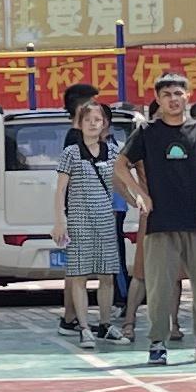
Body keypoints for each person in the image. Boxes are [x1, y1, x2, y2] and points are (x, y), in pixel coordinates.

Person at [124, 69, 196, 367]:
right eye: (166, 95)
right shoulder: (146, 133)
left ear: (188, 96)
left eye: (178, 94)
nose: (173, 99)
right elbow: (120, 165)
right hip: (160, 223)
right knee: (159, 287)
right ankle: (157, 344)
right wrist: (140, 194)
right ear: (157, 99)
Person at [53, 93, 127, 347]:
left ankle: (105, 325)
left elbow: (122, 182)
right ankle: (84, 328)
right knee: (80, 275)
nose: (94, 124)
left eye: (99, 119)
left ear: (105, 123)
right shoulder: (71, 153)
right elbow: (60, 189)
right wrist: (59, 220)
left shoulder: (114, 151)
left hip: (106, 219)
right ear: (80, 123)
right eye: (89, 120)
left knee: (107, 275)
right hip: (79, 220)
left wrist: (140, 199)